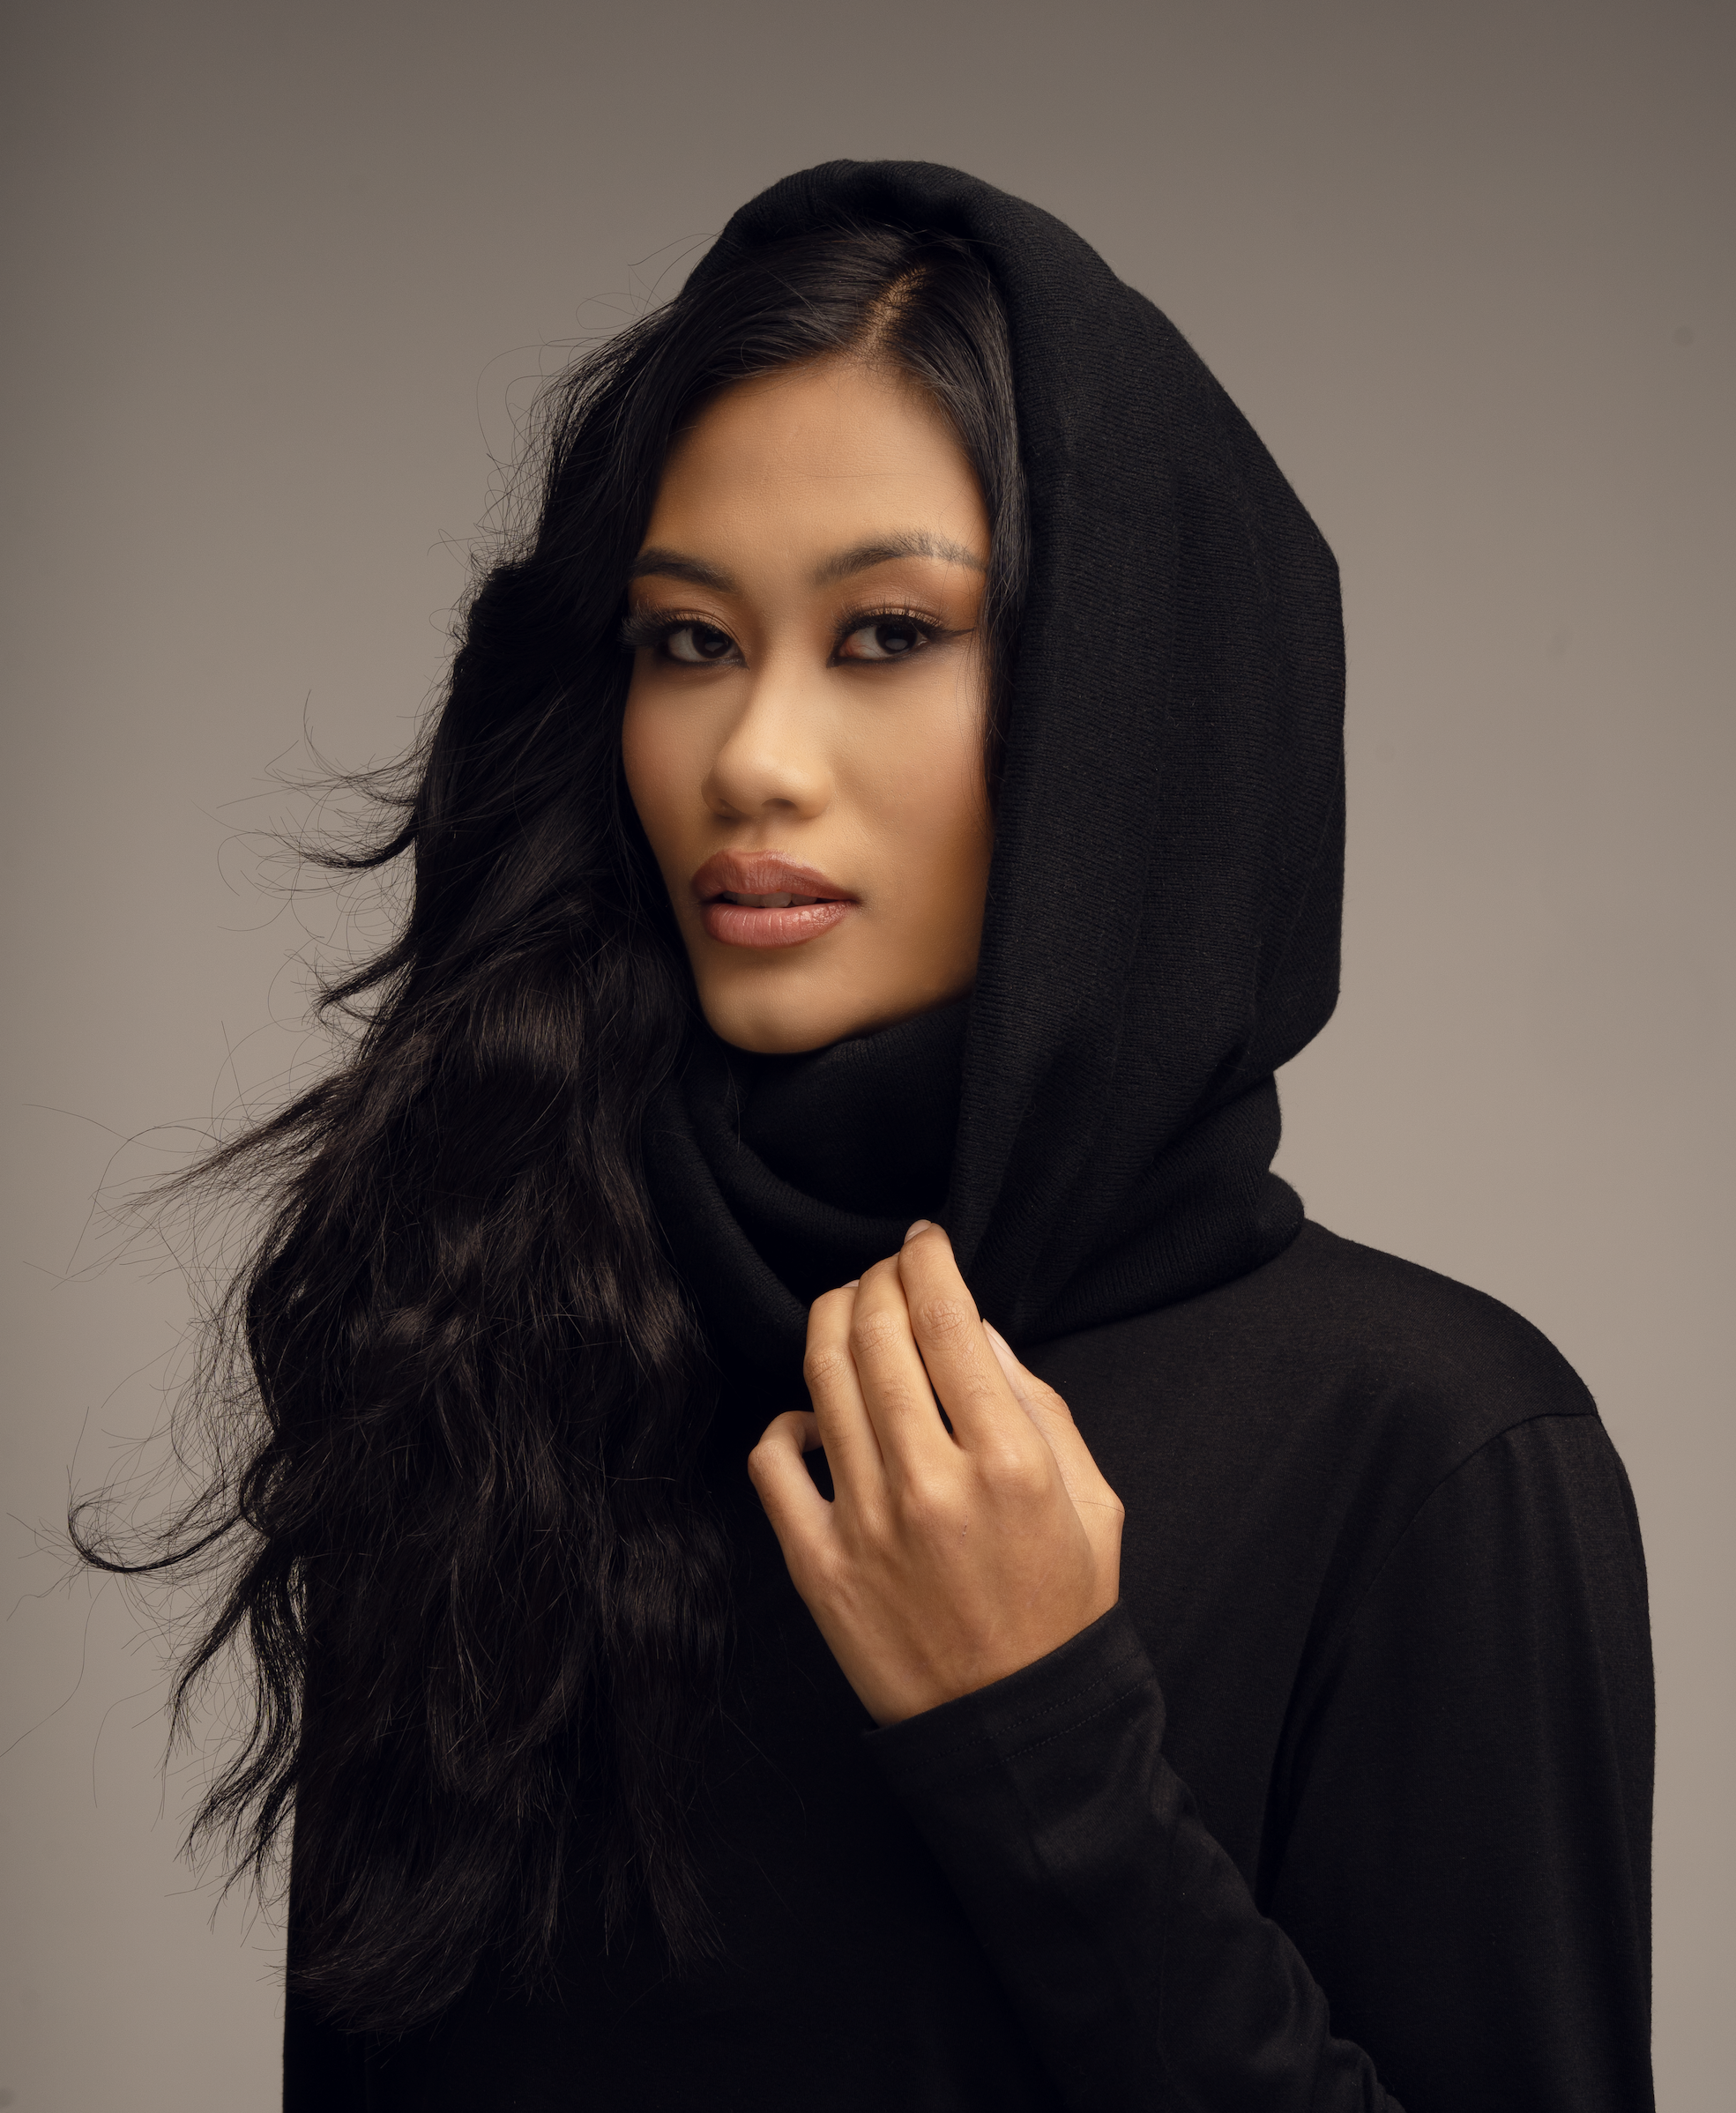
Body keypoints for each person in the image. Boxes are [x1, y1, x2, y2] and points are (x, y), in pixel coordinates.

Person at [95, 161, 1654, 2110]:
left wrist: (1043, 1742)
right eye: (687, 641)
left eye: (889, 632)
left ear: (1130, 704)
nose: (751, 759)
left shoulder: (1430, 1447)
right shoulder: (484, 1343)